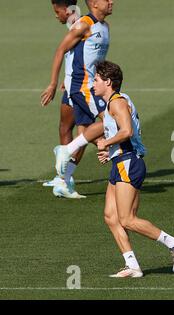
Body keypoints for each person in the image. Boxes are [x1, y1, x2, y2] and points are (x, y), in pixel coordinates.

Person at [93, 60, 174, 277]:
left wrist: (106, 143)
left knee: (127, 219)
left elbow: (127, 131)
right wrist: (111, 152)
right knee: (110, 216)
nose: (93, 84)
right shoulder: (115, 103)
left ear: (108, 82)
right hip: (121, 161)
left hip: (128, 163)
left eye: (96, 80)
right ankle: (132, 265)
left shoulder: (117, 102)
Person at [41, 0, 114, 199]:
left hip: (90, 86)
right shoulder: (83, 25)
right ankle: (66, 150)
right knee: (113, 119)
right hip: (82, 87)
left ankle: (64, 181)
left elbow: (91, 57)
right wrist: (54, 83)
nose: (111, 2)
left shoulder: (105, 27)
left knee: (84, 130)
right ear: (93, 3)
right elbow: (61, 50)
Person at [42, 0, 83, 190]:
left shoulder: (81, 27)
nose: (55, 14)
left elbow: (62, 52)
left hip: (80, 87)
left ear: (67, 11)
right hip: (72, 84)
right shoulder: (76, 25)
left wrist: (53, 83)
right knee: (65, 127)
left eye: (56, 11)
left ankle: (66, 176)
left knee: (86, 133)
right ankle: (63, 176)